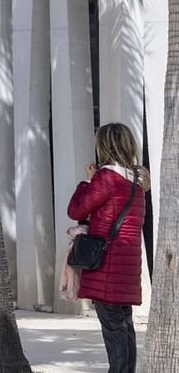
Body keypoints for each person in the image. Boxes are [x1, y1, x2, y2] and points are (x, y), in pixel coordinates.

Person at [68, 122, 149, 373]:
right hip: (127, 265)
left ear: (103, 146)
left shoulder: (106, 177)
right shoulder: (137, 181)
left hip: (107, 266)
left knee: (114, 330)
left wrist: (86, 181)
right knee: (124, 327)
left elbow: (76, 210)